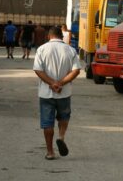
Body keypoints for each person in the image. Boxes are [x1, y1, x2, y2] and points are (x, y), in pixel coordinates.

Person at [33, 26, 81, 160]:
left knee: (47, 123)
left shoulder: (42, 49)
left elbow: (38, 70)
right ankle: (61, 137)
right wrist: (60, 83)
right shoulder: (70, 50)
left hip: (46, 93)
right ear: (62, 36)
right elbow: (76, 70)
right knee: (64, 117)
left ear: (49, 36)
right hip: (64, 93)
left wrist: (51, 83)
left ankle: (50, 152)